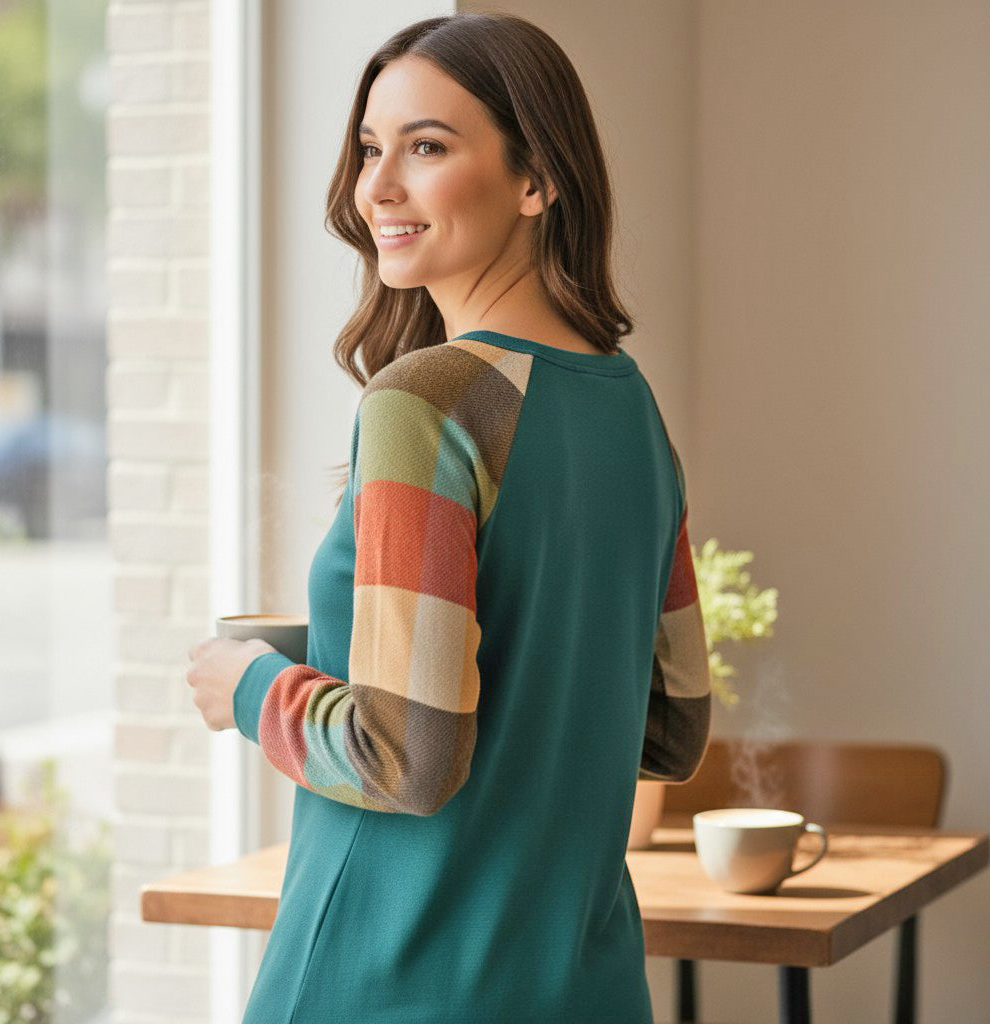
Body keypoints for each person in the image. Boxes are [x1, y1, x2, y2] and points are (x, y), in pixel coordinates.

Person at [185, 12, 711, 1023]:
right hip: (584, 989)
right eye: (368, 149)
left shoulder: (429, 400)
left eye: (425, 147)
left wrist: (250, 687)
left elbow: (408, 759)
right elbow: (672, 728)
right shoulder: (633, 410)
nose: (376, 187)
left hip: (391, 985)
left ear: (536, 178)